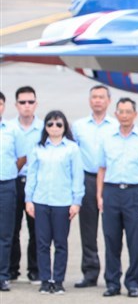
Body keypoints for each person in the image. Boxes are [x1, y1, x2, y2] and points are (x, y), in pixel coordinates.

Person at [97, 97, 138, 298]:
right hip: (112, 191)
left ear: (135, 114)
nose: (124, 116)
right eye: (120, 112)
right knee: (111, 239)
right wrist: (100, 196)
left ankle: (133, 282)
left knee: (135, 240)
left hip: (134, 193)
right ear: (116, 114)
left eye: (128, 112)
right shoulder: (107, 138)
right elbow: (102, 169)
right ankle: (112, 283)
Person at [24, 111, 84, 294]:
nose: (54, 128)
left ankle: (58, 280)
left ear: (65, 126)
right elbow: (31, 175)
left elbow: (77, 176)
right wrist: (29, 199)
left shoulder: (72, 148)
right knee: (42, 243)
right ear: (45, 127)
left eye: (59, 124)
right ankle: (44, 279)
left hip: (62, 201)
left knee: (60, 243)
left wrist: (76, 201)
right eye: (50, 124)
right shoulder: (38, 148)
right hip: (41, 200)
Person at [72, 85, 118, 288]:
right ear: (89, 100)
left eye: (101, 97)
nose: (97, 100)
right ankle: (90, 273)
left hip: (110, 181)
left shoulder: (116, 125)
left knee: (112, 229)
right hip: (87, 179)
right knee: (88, 229)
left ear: (108, 101)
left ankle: (112, 274)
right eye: (94, 97)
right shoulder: (79, 126)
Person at [10, 85, 43, 284]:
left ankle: (35, 269)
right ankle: (11, 268)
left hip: (35, 182)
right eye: (22, 102)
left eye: (31, 102)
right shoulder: (7, 128)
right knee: (10, 228)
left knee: (36, 229)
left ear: (36, 104)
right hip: (14, 181)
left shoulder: (44, 128)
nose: (27, 106)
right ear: (16, 105)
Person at [0, 91, 25, 292]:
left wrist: (8, 171)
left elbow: (21, 157)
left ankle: (2, 275)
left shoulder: (12, 129)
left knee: (6, 233)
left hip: (6, 186)